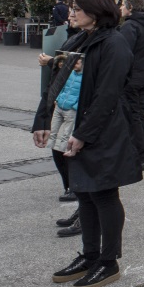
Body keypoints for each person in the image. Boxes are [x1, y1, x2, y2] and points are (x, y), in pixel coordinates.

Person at [34, 0, 142, 287]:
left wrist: (82, 134)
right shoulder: (78, 40)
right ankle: (90, 254)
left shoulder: (114, 44)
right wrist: (41, 120)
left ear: (94, 12)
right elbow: (55, 83)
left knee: (104, 195)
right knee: (84, 193)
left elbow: (107, 96)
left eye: (77, 9)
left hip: (105, 132)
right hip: (81, 128)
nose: (72, 13)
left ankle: (109, 261)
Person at [117, 0, 144, 169]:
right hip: (143, 75)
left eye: (122, 3)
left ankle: (139, 157)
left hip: (131, 78)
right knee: (140, 116)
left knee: (133, 117)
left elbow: (123, 54)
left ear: (130, 6)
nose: (120, 7)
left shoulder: (130, 26)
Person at [48, 55, 84, 236]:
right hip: (62, 106)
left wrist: (76, 106)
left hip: (73, 111)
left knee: (64, 147)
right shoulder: (70, 72)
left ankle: (83, 216)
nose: (74, 63)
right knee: (55, 144)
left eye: (77, 61)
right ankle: (81, 212)